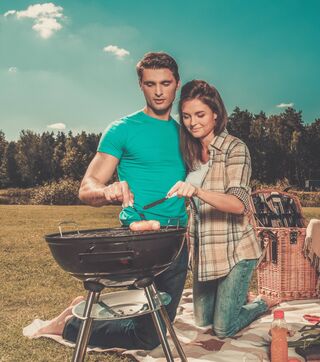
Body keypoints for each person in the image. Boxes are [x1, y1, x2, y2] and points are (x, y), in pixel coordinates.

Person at [35, 52, 188, 350]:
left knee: (157, 328)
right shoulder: (122, 129)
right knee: (148, 337)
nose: (159, 91)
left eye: (166, 83)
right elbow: (86, 186)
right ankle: (72, 324)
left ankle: (88, 312)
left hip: (177, 242)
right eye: (150, 83)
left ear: (177, 84)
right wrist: (107, 191)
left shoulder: (185, 133)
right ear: (140, 85)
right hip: (138, 242)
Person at [167, 80, 275, 338]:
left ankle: (260, 303)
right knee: (202, 323)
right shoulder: (189, 153)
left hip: (237, 250)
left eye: (200, 114)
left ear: (216, 114)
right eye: (186, 116)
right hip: (207, 253)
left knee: (222, 328)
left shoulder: (235, 149)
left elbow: (239, 204)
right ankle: (234, 296)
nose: (193, 122)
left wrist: (198, 191)